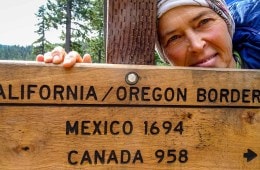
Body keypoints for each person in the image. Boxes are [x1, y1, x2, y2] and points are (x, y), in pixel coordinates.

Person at [36, 0, 258, 69]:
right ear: (166, 55)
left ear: (227, 23)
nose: (197, 45)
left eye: (204, 22)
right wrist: (73, 90)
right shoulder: (159, 114)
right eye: (174, 38)